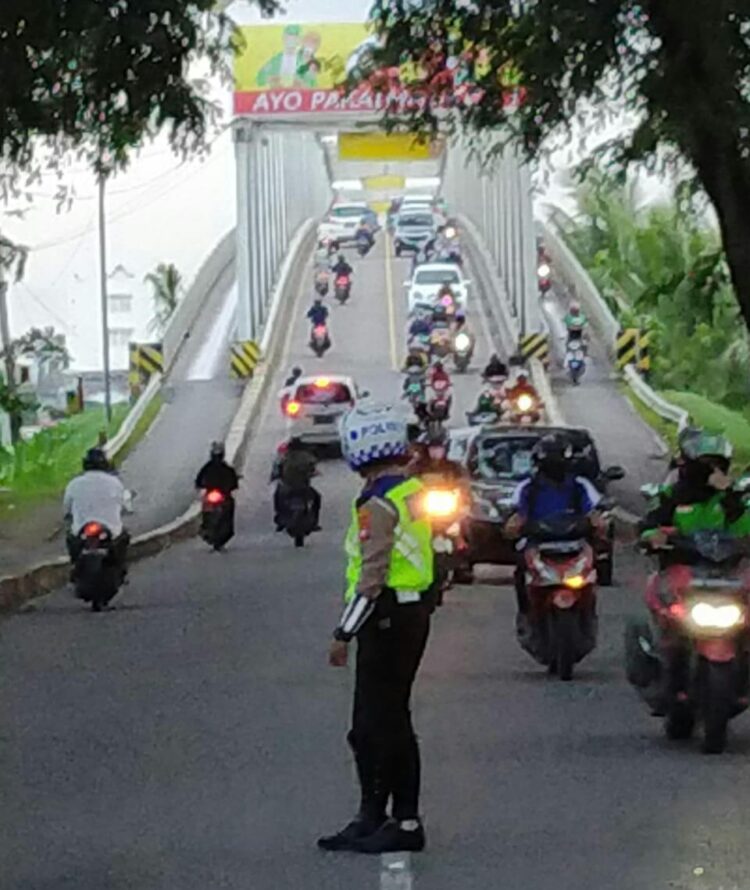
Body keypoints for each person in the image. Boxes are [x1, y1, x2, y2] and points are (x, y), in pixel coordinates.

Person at [319, 403, 434, 854]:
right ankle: (373, 816)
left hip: (385, 618)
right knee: (374, 725)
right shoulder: (411, 490)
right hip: (407, 615)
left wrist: (343, 633)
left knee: (382, 725)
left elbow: (372, 575)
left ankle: (403, 822)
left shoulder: (377, 503)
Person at [505, 434, 603, 614]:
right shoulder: (528, 487)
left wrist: (598, 525)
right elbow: (517, 516)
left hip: (575, 544)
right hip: (538, 544)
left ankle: (588, 613)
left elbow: (594, 513)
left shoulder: (580, 486)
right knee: (521, 571)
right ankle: (526, 614)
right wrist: (514, 527)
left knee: (592, 572)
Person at [640, 432, 750, 562]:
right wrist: (654, 536)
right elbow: (648, 525)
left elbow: (742, 531)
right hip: (678, 563)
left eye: (718, 465)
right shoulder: (672, 494)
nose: (715, 470)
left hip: (724, 569)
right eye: (708, 464)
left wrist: (732, 498)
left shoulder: (726, 498)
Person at [64, 447, 131, 577]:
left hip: (81, 529)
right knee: (124, 536)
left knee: (70, 537)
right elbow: (125, 505)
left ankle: (74, 565)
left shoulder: (74, 484)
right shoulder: (115, 483)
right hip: (111, 529)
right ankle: (121, 567)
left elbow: (66, 509)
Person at [195, 441, 240, 546]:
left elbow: (198, 480)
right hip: (220, 495)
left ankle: (207, 528)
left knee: (226, 506)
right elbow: (234, 483)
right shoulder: (226, 469)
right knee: (227, 507)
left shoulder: (208, 467)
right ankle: (207, 527)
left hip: (218, 494)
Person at [273, 436, 321, 530]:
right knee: (317, 498)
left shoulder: (284, 457)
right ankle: (314, 522)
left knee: (277, 497)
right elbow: (313, 468)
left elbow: (276, 470)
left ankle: (280, 520)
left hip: (288, 487)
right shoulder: (307, 457)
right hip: (303, 487)